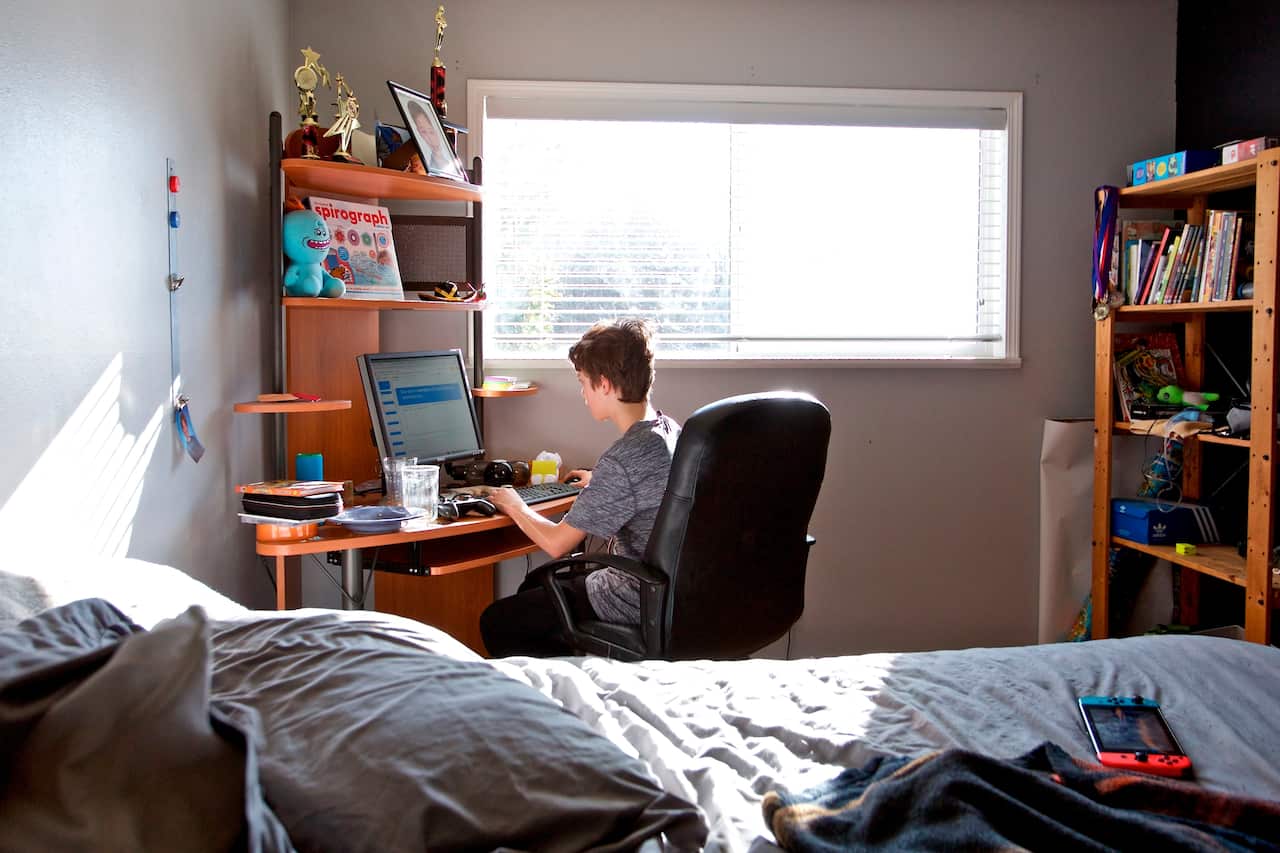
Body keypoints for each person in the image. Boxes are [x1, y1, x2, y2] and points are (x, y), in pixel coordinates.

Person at [479, 318, 681, 657]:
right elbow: (650, 490)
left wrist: (515, 505)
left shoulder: (623, 460)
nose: (582, 394)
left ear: (604, 384)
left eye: (583, 382)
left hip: (631, 597)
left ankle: (560, 695)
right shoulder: (668, 430)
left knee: (498, 621)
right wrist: (598, 482)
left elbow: (557, 544)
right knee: (536, 587)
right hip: (668, 588)